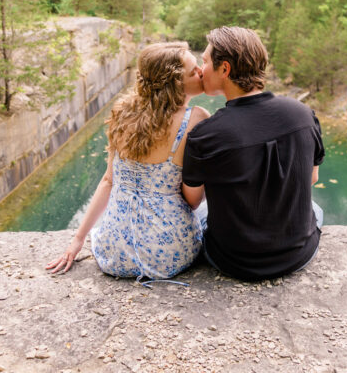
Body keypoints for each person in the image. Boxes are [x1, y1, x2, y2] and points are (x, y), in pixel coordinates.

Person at [46, 42, 209, 282]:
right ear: (175, 83)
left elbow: (108, 181)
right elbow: (193, 202)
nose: (201, 73)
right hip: (166, 256)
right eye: (193, 70)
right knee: (205, 208)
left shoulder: (122, 112)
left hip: (115, 253)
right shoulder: (196, 118)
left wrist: (79, 238)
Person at [182, 26, 325, 281]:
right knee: (315, 207)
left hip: (232, 262)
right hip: (300, 254)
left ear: (224, 69)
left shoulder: (206, 133)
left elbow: (192, 200)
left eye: (204, 61)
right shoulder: (303, 113)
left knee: (200, 214)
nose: (201, 70)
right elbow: (311, 178)